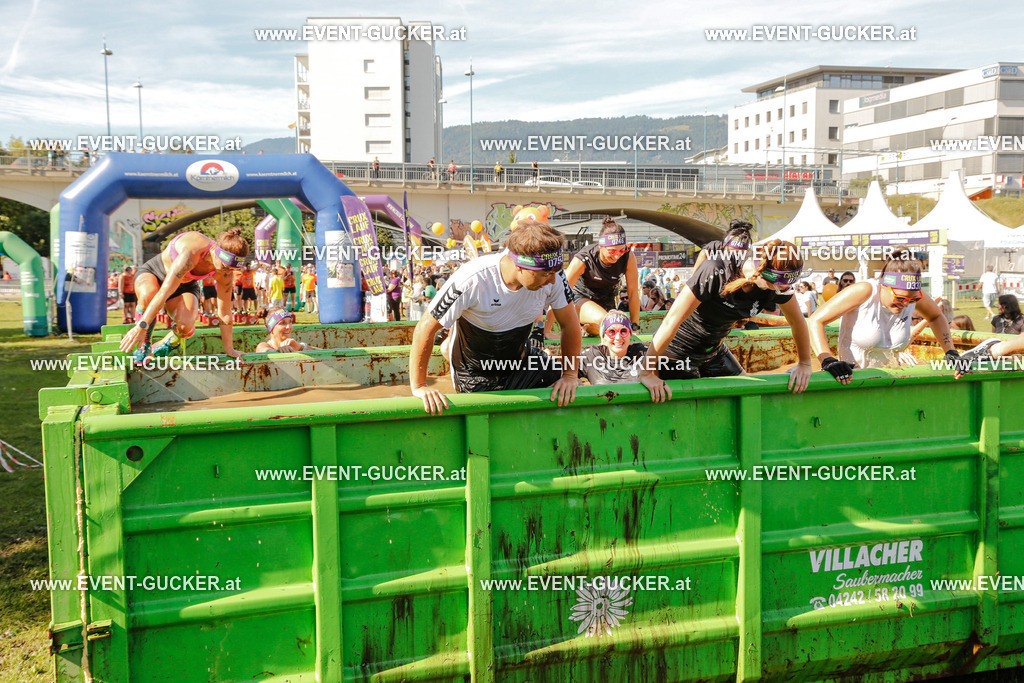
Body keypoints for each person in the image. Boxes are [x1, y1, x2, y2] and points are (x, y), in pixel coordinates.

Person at [409, 215, 583, 414]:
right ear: (520, 266)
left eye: (555, 272)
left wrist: (570, 375)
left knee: (576, 388)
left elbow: (570, 324)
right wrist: (420, 386)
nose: (552, 281)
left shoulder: (555, 275)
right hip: (475, 372)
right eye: (545, 274)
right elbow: (425, 327)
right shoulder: (473, 278)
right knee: (499, 418)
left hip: (519, 359)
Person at [637, 237, 815, 402]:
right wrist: (646, 372)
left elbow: (797, 321)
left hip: (715, 350)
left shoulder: (778, 285)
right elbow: (671, 320)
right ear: (761, 275)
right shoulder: (717, 270)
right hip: (677, 352)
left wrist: (805, 363)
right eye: (777, 287)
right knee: (692, 410)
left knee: (749, 396)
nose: (782, 292)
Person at [807, 247, 966, 382]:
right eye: (900, 298)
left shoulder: (911, 296)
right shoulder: (865, 291)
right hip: (851, 380)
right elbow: (815, 320)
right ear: (884, 285)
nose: (905, 304)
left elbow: (936, 316)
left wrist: (950, 352)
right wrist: (827, 360)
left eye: (912, 299)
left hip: (888, 380)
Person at [118, 228, 248, 361]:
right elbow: (163, 293)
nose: (226, 272)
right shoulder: (192, 253)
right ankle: (144, 343)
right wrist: (142, 326)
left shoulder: (225, 272)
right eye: (225, 266)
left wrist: (229, 349)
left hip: (185, 284)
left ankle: (165, 345)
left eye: (233, 269)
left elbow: (225, 312)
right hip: (155, 274)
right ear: (216, 253)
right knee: (148, 295)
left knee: (185, 327)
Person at [544, 217, 639, 339]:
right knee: (608, 321)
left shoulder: (628, 256)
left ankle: (587, 328)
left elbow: (633, 294)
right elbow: (560, 291)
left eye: (621, 250)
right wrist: (547, 331)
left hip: (607, 301)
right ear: (601, 246)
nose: (617, 256)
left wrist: (635, 327)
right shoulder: (584, 258)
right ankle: (584, 326)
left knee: (614, 326)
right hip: (581, 299)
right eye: (612, 251)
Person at [577, 310, 649, 385]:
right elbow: (566, 369)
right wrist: (574, 380)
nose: (618, 337)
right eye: (611, 332)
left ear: (630, 335)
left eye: (623, 331)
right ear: (604, 336)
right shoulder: (593, 356)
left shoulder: (641, 354)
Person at [254, 308, 320, 353]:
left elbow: (327, 355)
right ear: (271, 328)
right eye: (282, 323)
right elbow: (262, 350)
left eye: (290, 322)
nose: (289, 327)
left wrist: (301, 347)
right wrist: (278, 351)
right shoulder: (264, 345)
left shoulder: (293, 345)